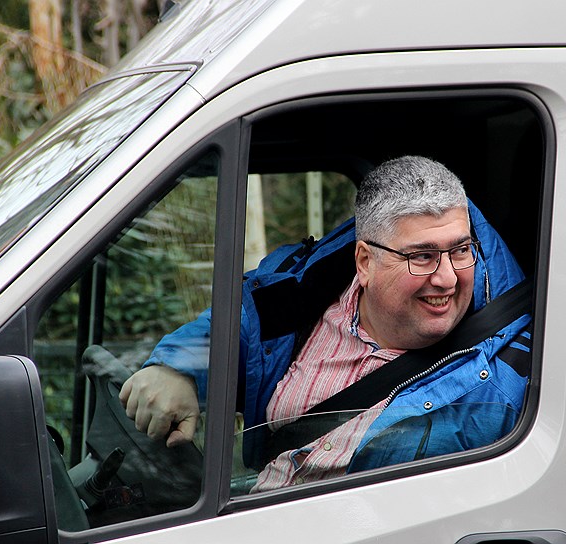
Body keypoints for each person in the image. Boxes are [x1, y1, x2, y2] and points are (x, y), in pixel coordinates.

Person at [119, 155, 532, 492]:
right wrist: (178, 368)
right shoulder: (308, 293)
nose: (447, 278)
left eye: (460, 250)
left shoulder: (502, 382)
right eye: (421, 256)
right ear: (365, 262)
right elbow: (245, 319)